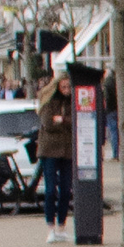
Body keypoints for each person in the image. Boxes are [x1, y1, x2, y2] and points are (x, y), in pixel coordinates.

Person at [36, 71, 73, 238]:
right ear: (57, 87)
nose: (67, 89)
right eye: (63, 86)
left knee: (66, 190)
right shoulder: (49, 101)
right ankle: (50, 226)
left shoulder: (72, 101)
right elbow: (48, 124)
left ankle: (61, 225)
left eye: (68, 86)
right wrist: (64, 121)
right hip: (49, 149)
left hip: (67, 150)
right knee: (51, 190)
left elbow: (75, 121)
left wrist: (62, 119)